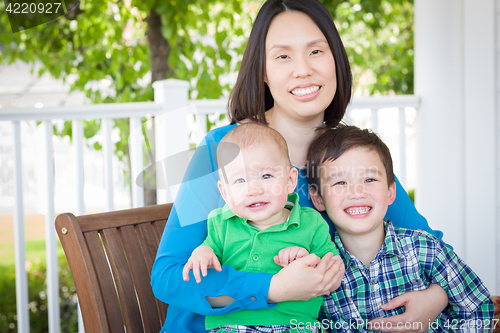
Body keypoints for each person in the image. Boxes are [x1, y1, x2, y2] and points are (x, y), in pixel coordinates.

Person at [151, 1, 450, 332]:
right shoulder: (220, 151)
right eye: (283, 56)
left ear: (336, 60)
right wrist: (271, 289)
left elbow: (433, 249)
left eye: (316, 52)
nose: (303, 69)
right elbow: (169, 276)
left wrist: (435, 298)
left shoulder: (355, 157)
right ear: (262, 71)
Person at [299, 124, 493, 332]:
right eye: (340, 182)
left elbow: (479, 308)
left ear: (391, 191)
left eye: (369, 179)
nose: (357, 192)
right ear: (318, 199)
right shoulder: (320, 271)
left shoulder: (426, 249)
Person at [182, 123, 341, 332]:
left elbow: (334, 272)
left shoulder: (310, 223)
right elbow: (208, 256)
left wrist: (307, 261)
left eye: (266, 176)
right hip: (232, 326)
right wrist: (202, 252)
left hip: (295, 325)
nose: (254, 189)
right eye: (240, 180)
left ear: (290, 181)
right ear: (225, 192)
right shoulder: (221, 224)